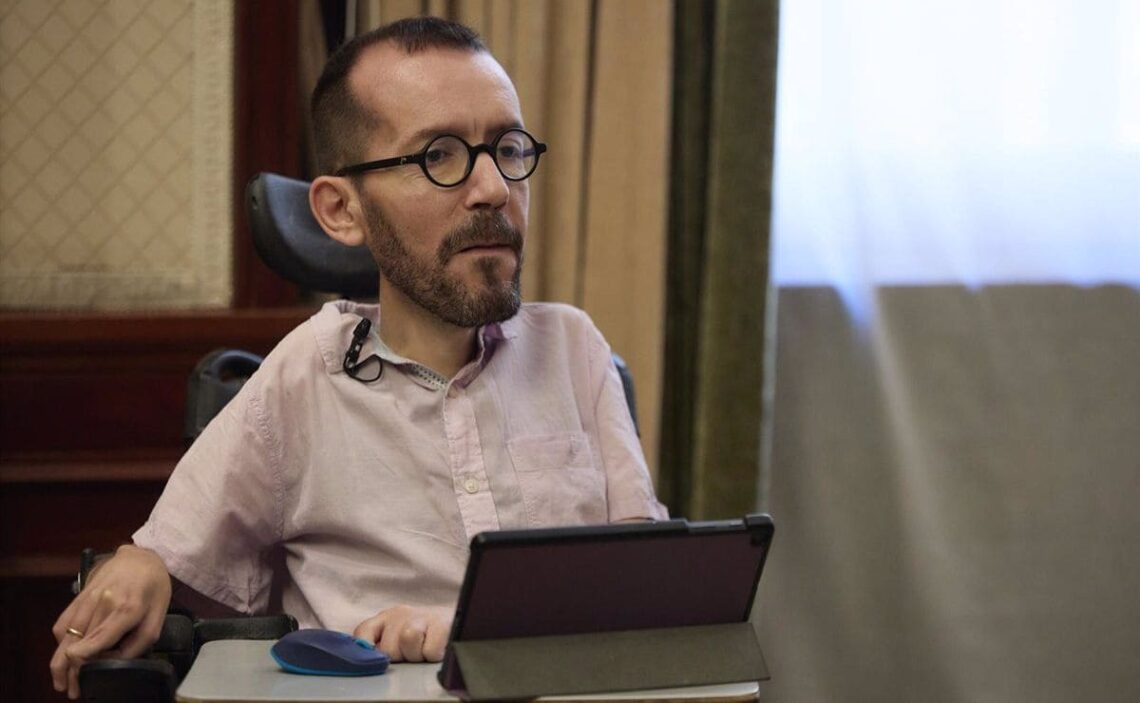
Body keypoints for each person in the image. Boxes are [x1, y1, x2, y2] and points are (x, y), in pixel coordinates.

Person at [49, 16, 666, 700]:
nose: (494, 187)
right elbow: (166, 552)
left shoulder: (574, 350)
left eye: (508, 147)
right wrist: (137, 565)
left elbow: (645, 587)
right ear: (343, 211)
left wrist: (464, 630)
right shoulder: (303, 375)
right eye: (439, 156)